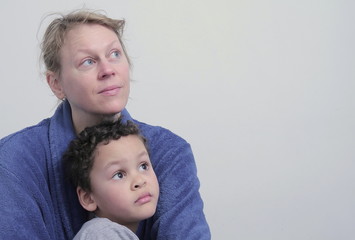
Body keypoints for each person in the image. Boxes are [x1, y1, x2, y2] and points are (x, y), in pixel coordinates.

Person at [0, 9, 211, 240]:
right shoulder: (13, 160)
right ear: (56, 83)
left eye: (114, 54)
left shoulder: (170, 151)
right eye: (88, 61)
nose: (108, 70)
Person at [63, 119, 159, 240]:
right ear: (88, 198)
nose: (139, 181)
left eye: (143, 166)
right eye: (119, 175)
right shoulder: (100, 234)